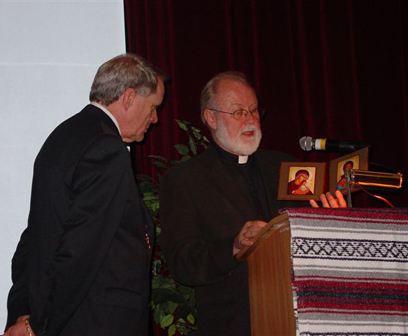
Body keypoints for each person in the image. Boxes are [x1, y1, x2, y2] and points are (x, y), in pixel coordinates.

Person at [4, 54, 166, 336]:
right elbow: (79, 252)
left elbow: (35, 239)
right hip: (97, 323)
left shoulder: (62, 137)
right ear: (128, 98)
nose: (155, 118)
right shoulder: (106, 149)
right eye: (153, 107)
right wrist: (37, 325)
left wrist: (25, 310)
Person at [160, 71, 304, 335]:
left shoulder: (285, 165)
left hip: (298, 318)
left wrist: (328, 213)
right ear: (211, 118)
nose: (250, 120)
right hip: (234, 324)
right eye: (238, 112)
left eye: (254, 110)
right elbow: (183, 263)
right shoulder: (184, 180)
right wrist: (233, 248)